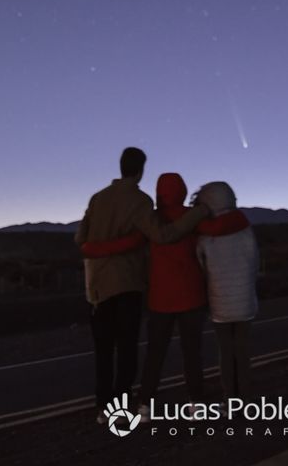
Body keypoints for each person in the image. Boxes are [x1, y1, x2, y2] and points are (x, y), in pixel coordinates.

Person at [81, 173, 249, 412]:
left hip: (159, 299)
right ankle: (195, 403)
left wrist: (93, 249)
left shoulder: (150, 222)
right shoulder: (193, 220)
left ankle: (145, 404)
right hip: (191, 296)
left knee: (155, 354)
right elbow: (217, 232)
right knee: (192, 353)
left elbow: (133, 245)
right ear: (182, 190)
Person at [75, 147, 209, 422]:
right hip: (126, 283)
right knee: (126, 349)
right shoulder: (139, 201)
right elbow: (163, 234)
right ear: (140, 170)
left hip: (97, 286)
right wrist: (198, 214)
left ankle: (105, 408)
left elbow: (80, 239)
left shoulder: (97, 198)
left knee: (103, 351)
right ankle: (126, 409)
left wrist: (103, 248)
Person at [194, 181, 259, 401]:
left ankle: (231, 398)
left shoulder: (204, 236)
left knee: (225, 352)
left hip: (219, 304)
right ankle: (247, 396)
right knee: (242, 352)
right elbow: (254, 263)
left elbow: (202, 270)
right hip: (245, 302)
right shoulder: (245, 229)